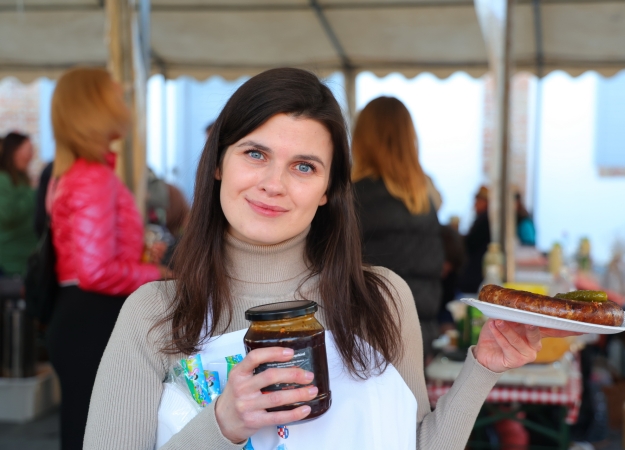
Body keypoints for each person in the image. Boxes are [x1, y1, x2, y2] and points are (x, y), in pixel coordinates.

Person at [84, 68, 575, 450]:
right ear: (218, 163)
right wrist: (223, 424)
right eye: (255, 154)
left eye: (304, 166)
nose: (274, 184)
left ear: (327, 191)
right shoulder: (155, 312)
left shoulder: (380, 298)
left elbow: (413, 443)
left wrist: (482, 368)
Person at [46, 68, 166, 450]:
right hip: (90, 315)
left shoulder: (78, 173)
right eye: (115, 97)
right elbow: (96, 272)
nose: (124, 106)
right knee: (98, 430)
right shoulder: (92, 177)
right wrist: (158, 272)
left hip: (81, 314)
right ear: (95, 107)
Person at [351, 96, 444, 357]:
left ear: (361, 138)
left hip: (365, 338)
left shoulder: (351, 197)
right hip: (420, 333)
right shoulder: (425, 199)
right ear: (409, 138)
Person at [0, 132, 38, 276]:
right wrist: (32, 192)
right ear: (14, 152)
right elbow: (8, 214)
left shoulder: (22, 177)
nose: (31, 155)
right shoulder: (3, 179)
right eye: (28, 150)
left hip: (26, 256)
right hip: (11, 261)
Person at [458, 186, 491, 293]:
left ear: (485, 202)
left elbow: (471, 243)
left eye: (477, 201)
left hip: (476, 272)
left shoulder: (484, 219)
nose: (475, 205)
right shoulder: (485, 218)